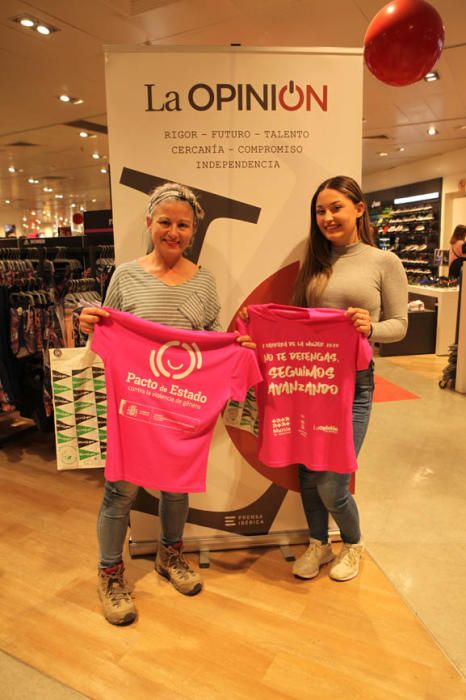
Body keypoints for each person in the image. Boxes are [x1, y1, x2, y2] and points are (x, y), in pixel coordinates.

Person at [79, 182, 252, 625]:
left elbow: (212, 337)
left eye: (182, 225)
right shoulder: (125, 275)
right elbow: (106, 331)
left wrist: (235, 345)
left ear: (192, 231)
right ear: (149, 223)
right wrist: (87, 323)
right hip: (135, 404)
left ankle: (169, 555)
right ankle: (110, 574)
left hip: (182, 403)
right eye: (165, 222)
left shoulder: (204, 280)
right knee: (120, 491)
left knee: (177, 484)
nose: (172, 232)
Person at [288, 175, 408, 582]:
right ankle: (318, 543)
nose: (327, 217)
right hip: (309, 381)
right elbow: (296, 320)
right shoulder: (315, 261)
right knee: (307, 471)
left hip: (355, 383)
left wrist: (370, 328)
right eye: (320, 210)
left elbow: (401, 325)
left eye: (335, 207)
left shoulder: (383, 261)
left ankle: (353, 543)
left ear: (359, 208)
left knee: (333, 480)